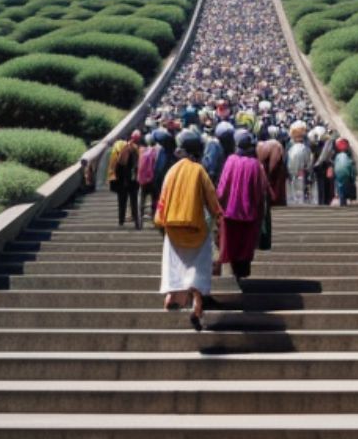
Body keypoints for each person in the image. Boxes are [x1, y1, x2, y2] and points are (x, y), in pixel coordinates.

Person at [155, 130, 222, 331]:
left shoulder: (171, 171)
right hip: (196, 228)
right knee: (199, 267)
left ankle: (172, 295)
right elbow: (211, 198)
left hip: (173, 229)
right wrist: (218, 217)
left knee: (175, 264)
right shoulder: (199, 170)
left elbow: (163, 199)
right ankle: (197, 306)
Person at [217, 129, 267, 280]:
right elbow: (259, 190)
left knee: (230, 243)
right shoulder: (255, 164)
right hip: (249, 212)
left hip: (230, 212)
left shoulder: (231, 160)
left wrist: (217, 202)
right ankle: (242, 273)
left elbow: (223, 186)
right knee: (245, 244)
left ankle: (231, 271)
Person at [114, 131, 142, 228]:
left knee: (122, 202)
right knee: (134, 202)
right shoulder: (136, 150)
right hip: (133, 181)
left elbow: (117, 166)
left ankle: (121, 221)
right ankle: (137, 223)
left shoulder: (123, 149)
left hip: (122, 181)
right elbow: (138, 166)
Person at [257, 127, 287, 207]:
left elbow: (270, 165)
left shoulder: (264, 146)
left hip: (273, 160)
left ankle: (274, 201)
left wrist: (269, 173)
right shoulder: (274, 144)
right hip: (275, 160)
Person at [286, 121, 313, 205]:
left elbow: (287, 158)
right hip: (302, 169)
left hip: (293, 169)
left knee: (294, 184)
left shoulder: (290, 145)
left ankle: (296, 199)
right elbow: (309, 161)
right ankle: (305, 197)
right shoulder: (306, 145)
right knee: (306, 182)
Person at [333, 138, 357, 206]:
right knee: (349, 184)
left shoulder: (337, 155)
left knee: (340, 185)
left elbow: (335, 164)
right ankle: (350, 199)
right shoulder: (348, 155)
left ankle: (342, 201)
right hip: (347, 171)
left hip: (339, 171)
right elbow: (351, 165)